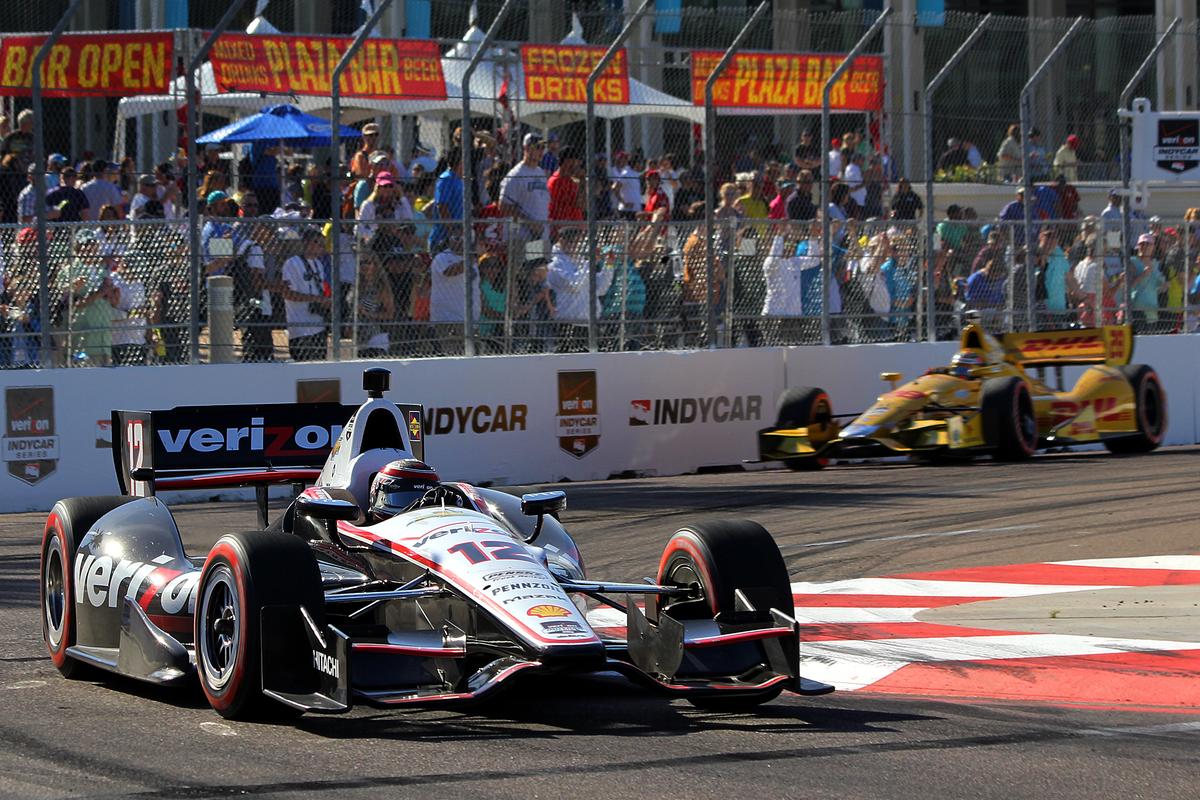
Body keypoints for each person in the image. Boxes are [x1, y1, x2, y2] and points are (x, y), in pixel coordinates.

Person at [547, 226, 613, 352]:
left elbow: (601, 289)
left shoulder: (583, 263)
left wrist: (608, 265)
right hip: (569, 326)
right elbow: (575, 285)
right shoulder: (555, 265)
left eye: (579, 242)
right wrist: (590, 263)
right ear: (562, 242)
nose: (577, 245)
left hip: (591, 325)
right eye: (573, 241)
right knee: (570, 368)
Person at [59, 227, 118, 366]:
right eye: (85, 245)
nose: (89, 249)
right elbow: (71, 304)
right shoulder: (69, 271)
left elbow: (112, 301)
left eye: (92, 245)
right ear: (77, 247)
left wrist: (112, 292)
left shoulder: (101, 270)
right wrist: (101, 292)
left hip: (103, 334)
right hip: (83, 337)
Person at [280, 228, 335, 361]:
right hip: (300, 328)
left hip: (318, 325)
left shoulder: (318, 264)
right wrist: (315, 299)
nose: (321, 248)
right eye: (317, 243)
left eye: (322, 244)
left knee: (320, 365)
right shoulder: (292, 263)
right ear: (306, 243)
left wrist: (325, 301)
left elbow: (321, 289)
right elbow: (287, 294)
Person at [428, 232, 479, 355]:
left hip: (470, 318)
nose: (460, 241)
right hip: (447, 319)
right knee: (449, 355)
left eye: (464, 238)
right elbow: (449, 272)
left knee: (472, 356)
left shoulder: (472, 259)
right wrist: (472, 258)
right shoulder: (442, 257)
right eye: (456, 238)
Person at [500, 133, 551, 245]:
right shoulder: (516, 174)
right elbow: (504, 206)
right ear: (526, 148)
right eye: (538, 147)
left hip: (540, 235)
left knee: (540, 262)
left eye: (543, 147)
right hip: (524, 237)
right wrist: (530, 223)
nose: (541, 151)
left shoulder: (540, 172)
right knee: (529, 262)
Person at [352, 250, 395, 358]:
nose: (364, 266)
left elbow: (390, 314)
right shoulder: (357, 286)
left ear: (375, 265)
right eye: (361, 263)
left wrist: (367, 314)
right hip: (358, 337)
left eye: (367, 262)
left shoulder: (380, 287)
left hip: (376, 337)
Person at [430, 148, 464, 251]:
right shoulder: (446, 179)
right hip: (444, 236)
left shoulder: (459, 179)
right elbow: (442, 206)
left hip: (458, 232)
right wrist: (452, 230)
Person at [1130, 232, 1165, 333]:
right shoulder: (1132, 262)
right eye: (1142, 244)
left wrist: (1163, 285)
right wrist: (1143, 275)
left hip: (1152, 310)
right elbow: (1129, 286)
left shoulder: (1156, 264)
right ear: (1138, 246)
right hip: (1137, 309)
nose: (1145, 246)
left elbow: (1158, 285)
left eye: (1148, 244)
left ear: (1153, 247)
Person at [547, 146, 584, 227]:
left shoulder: (571, 180)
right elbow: (577, 203)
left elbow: (583, 205)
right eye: (574, 161)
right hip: (563, 229)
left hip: (574, 228)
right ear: (565, 161)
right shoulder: (556, 181)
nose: (577, 164)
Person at [608, 150, 641, 220]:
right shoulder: (626, 173)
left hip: (636, 209)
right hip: (627, 210)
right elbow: (614, 188)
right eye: (639, 163)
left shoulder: (634, 173)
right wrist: (624, 203)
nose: (641, 165)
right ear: (636, 163)